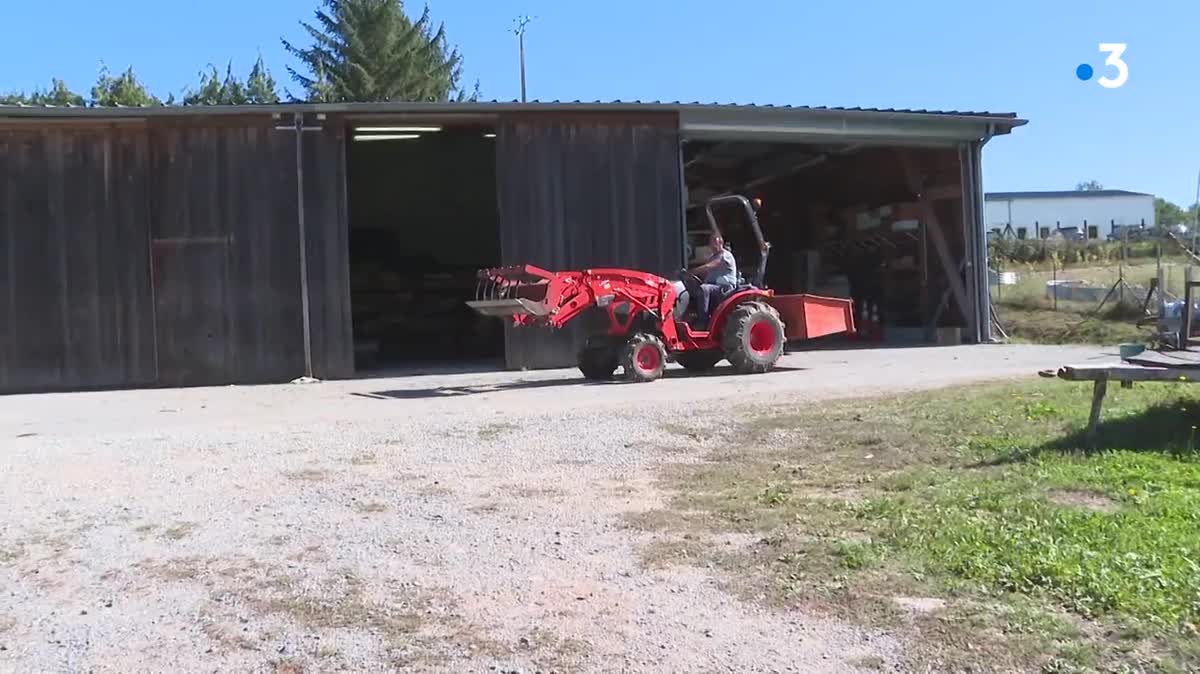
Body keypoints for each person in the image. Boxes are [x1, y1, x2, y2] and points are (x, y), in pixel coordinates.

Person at [684, 233, 738, 325]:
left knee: (704, 289)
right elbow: (706, 273)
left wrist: (691, 272)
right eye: (710, 242)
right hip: (715, 288)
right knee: (693, 289)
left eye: (713, 242)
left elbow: (709, 266)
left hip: (725, 288)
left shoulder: (725, 255)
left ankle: (703, 322)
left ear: (720, 242)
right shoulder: (712, 257)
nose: (711, 245)